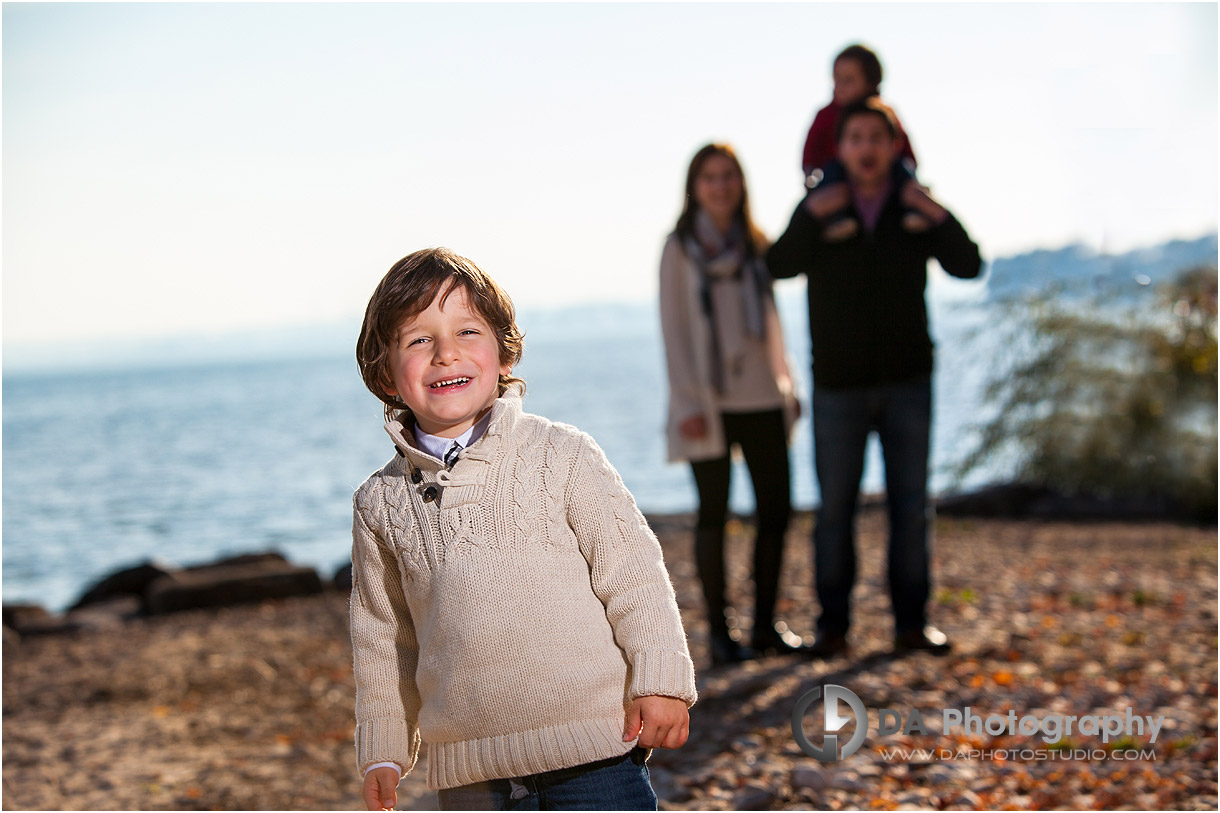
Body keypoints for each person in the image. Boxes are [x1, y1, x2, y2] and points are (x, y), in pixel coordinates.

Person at [352, 248, 697, 811]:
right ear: (386, 373)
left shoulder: (562, 455)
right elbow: (383, 642)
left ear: (503, 354)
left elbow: (633, 574)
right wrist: (384, 750)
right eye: (418, 340)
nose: (446, 354)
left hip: (594, 755)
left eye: (467, 331)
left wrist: (659, 680)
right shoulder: (381, 504)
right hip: (470, 777)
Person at [767, 98, 983, 658]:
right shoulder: (820, 205)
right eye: (855, 137)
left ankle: (912, 624)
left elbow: (969, 263)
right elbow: (778, 264)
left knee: (910, 506)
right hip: (838, 385)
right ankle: (832, 629)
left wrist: (934, 212)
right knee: (834, 510)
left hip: (909, 381)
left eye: (875, 138)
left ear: (893, 147)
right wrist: (814, 215)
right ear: (840, 148)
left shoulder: (912, 204)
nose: (865, 148)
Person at [659, 143, 803, 667]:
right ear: (695, 187)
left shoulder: (756, 244)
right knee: (713, 516)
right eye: (710, 177)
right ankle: (720, 633)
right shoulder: (679, 249)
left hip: (762, 393)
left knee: (776, 511)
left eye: (729, 176)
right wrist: (688, 401)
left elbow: (772, 321)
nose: (721, 186)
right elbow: (673, 330)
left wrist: (789, 386)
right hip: (708, 403)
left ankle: (765, 625)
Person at [800, 43, 925, 239]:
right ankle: (836, 219)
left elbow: (903, 144)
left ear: (871, 81)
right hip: (837, 175)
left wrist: (912, 172)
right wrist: (808, 172)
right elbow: (812, 146)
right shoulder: (826, 114)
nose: (840, 87)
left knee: (902, 169)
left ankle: (914, 211)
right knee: (831, 174)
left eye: (849, 80)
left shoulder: (885, 114)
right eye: (837, 80)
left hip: (884, 183)